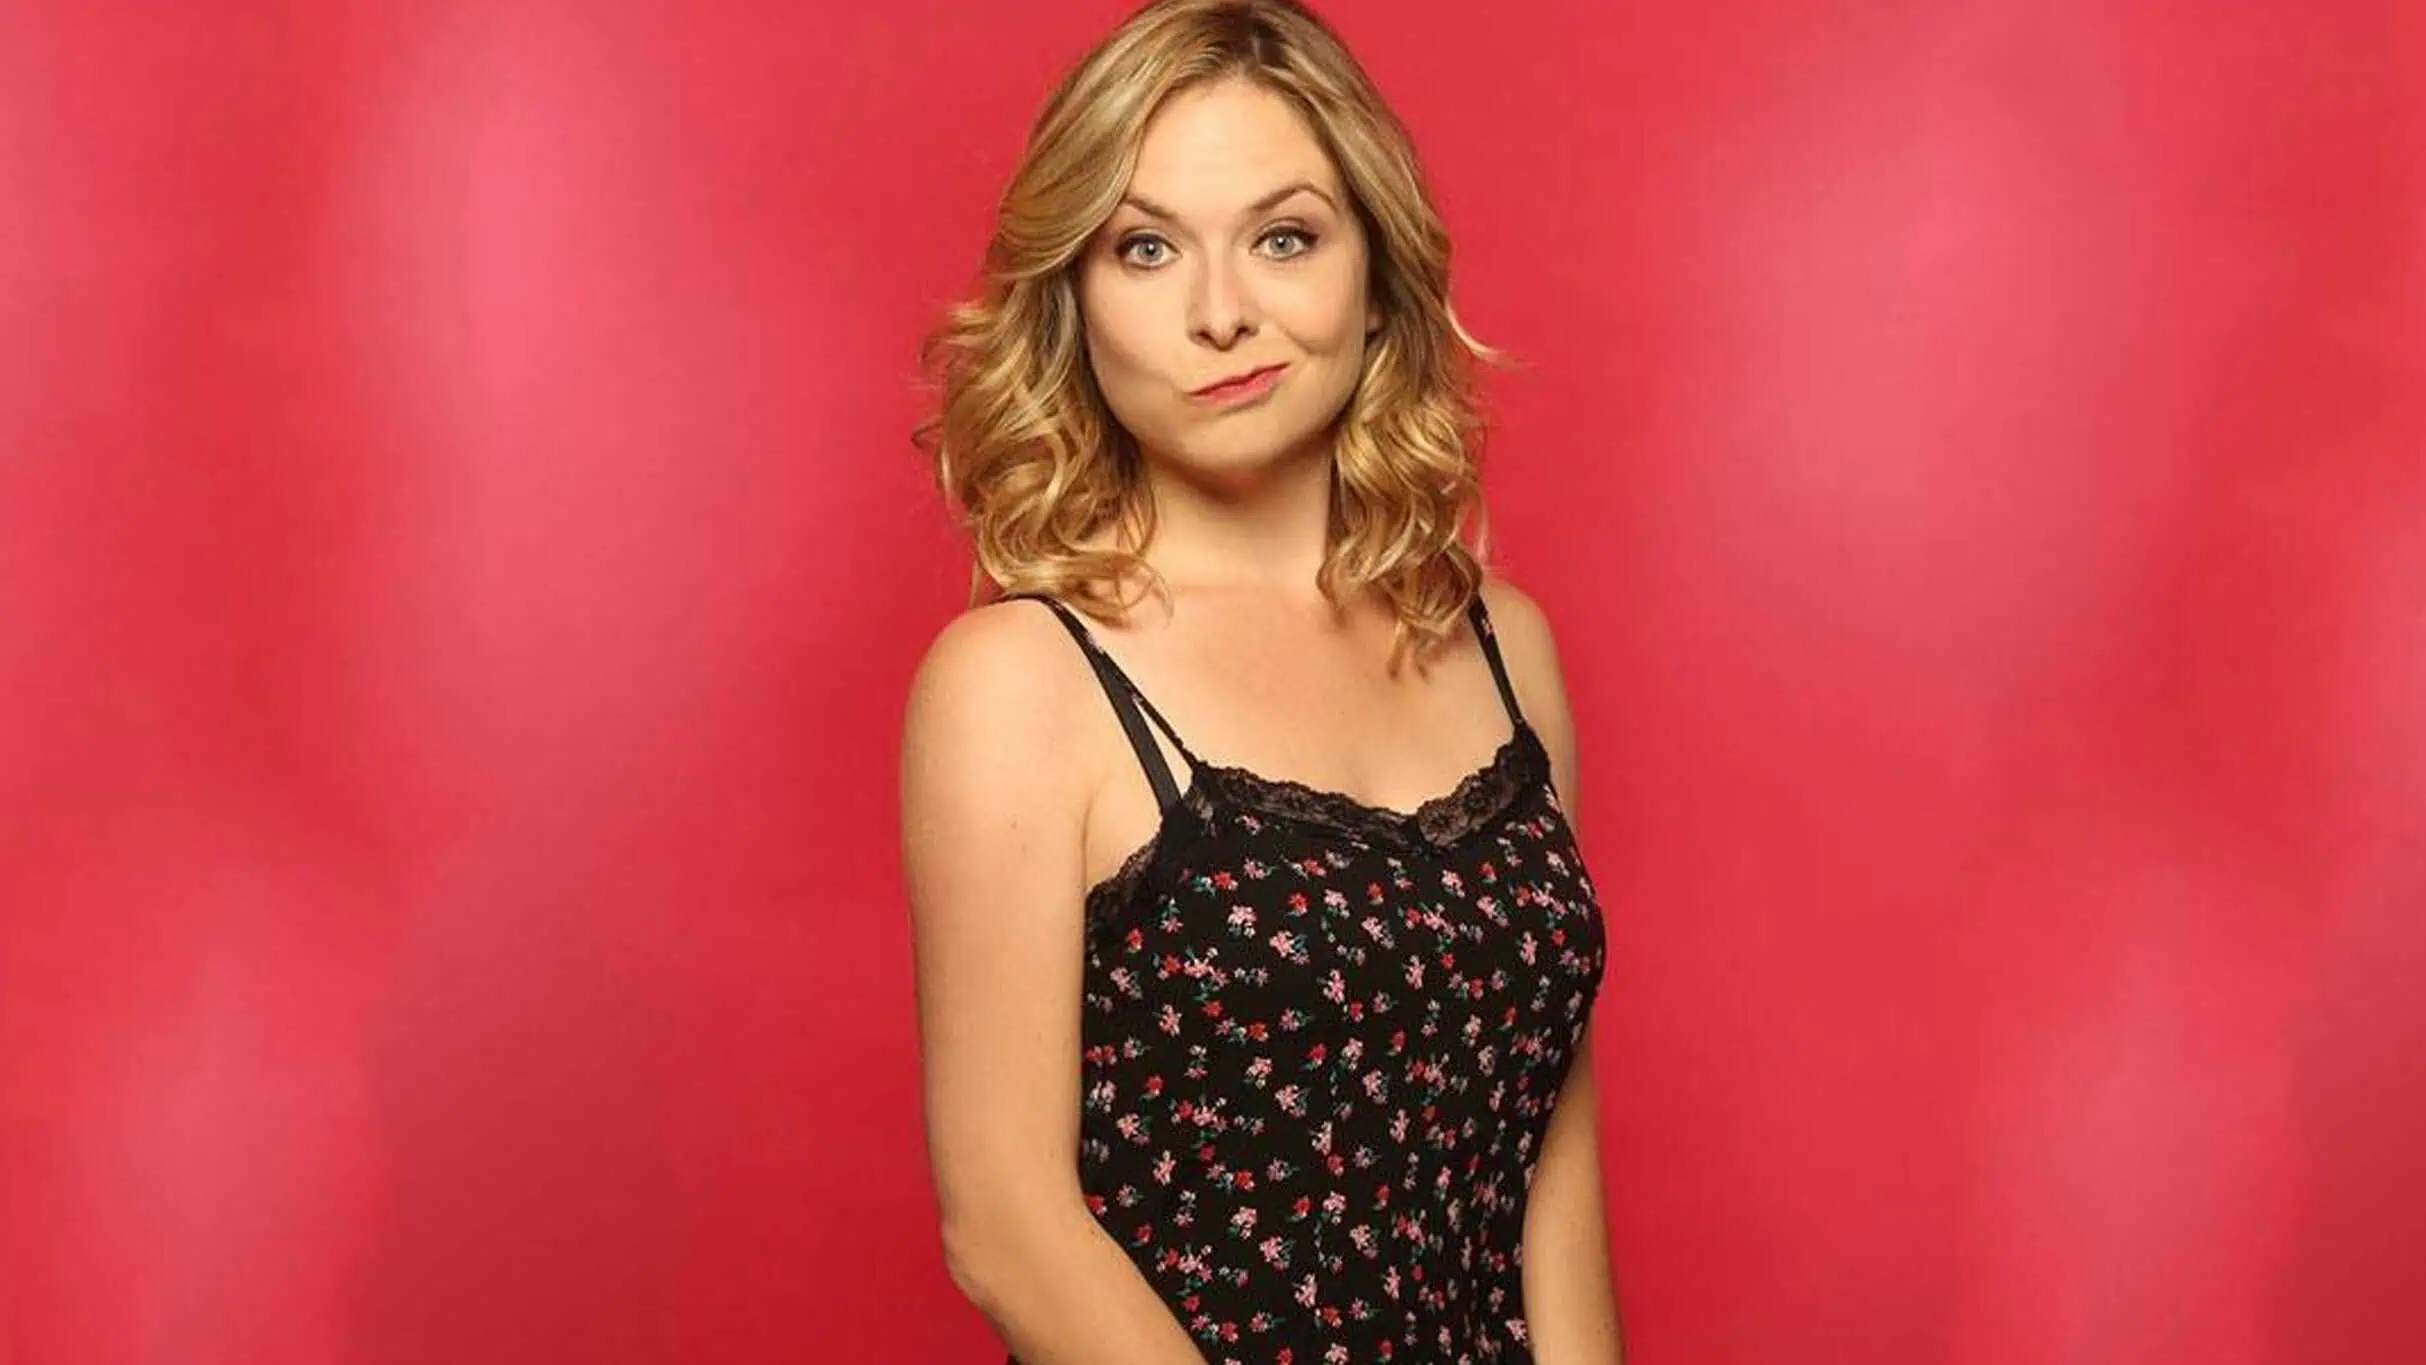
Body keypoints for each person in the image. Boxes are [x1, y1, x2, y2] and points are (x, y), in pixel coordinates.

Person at [900, 2, 1619, 1360]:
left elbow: (1550, 1158)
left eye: (1283, 237)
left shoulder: (1498, 645)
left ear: (1374, 273)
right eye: (1146, 248)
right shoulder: (1022, 682)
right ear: (1074, 302)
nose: (1221, 313)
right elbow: (1004, 1223)